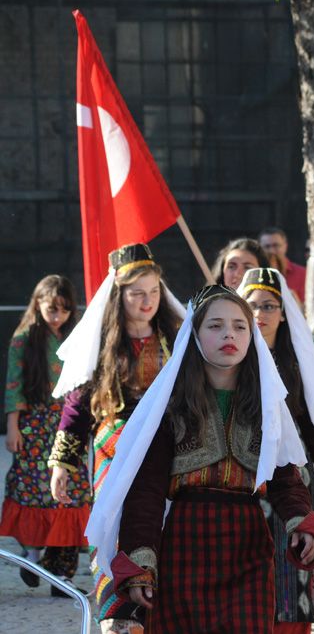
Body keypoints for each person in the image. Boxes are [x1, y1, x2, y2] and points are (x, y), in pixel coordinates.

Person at [86, 285, 314, 634]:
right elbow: (147, 492)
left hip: (248, 545)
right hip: (185, 544)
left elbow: (285, 476)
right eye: (215, 325)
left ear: (251, 338)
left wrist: (300, 521)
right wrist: (141, 558)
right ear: (195, 335)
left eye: (239, 326)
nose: (228, 333)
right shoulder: (170, 409)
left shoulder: (265, 407)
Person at [48, 243, 183, 631]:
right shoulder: (103, 345)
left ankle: (155, 612)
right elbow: (76, 406)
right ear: (119, 295)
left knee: (163, 530)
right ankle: (116, 615)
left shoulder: (175, 338)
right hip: (114, 455)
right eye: (137, 293)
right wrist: (62, 463)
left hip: (167, 451)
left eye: (154, 291)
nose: (147, 301)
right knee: (114, 530)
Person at [238, 267, 314, 633]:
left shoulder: (297, 362)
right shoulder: (230, 358)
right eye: (252, 305)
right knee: (249, 560)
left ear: (284, 311)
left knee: (291, 562)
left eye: (269, 305)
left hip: (290, 475)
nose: (261, 313)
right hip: (242, 476)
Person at [0, 275, 85, 594]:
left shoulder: (76, 338)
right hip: (34, 426)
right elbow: (13, 385)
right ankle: (33, 555)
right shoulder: (24, 338)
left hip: (68, 424)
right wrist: (13, 426)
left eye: (64, 309)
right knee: (32, 490)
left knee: (72, 492)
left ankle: (61, 572)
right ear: (37, 304)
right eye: (51, 308)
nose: (57, 315)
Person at [259, 228, 307, 303]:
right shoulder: (255, 274)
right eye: (267, 247)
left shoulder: (302, 273)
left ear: (285, 246)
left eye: (276, 245)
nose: (271, 251)